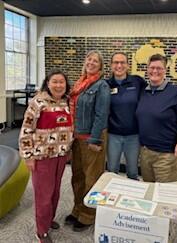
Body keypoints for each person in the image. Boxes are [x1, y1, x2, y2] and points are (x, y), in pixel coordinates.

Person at [19, 70, 73, 243]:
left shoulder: (67, 102)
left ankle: (49, 220)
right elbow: (26, 130)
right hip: (42, 157)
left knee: (55, 193)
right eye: (54, 82)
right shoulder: (38, 102)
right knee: (43, 195)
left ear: (66, 85)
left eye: (61, 82)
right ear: (47, 84)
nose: (58, 85)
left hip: (61, 156)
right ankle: (41, 230)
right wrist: (28, 156)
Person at [65, 50, 110, 231]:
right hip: (76, 138)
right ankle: (77, 208)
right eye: (89, 59)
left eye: (96, 61)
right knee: (77, 176)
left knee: (92, 178)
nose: (91, 63)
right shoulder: (79, 83)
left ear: (100, 66)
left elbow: (102, 115)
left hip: (91, 138)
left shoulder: (102, 86)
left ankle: (89, 214)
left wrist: (95, 139)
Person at [136, 54, 177, 182]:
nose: (155, 71)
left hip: (167, 155)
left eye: (159, 68)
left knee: (165, 194)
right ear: (147, 69)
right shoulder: (144, 92)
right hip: (146, 152)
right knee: (149, 189)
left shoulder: (176, 93)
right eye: (152, 67)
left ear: (165, 70)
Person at [106, 52, 145, 180]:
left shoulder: (137, 81)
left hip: (133, 136)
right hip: (113, 135)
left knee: (133, 172)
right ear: (111, 65)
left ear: (128, 65)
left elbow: (150, 99)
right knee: (112, 170)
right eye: (116, 62)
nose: (119, 65)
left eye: (122, 62)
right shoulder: (105, 85)